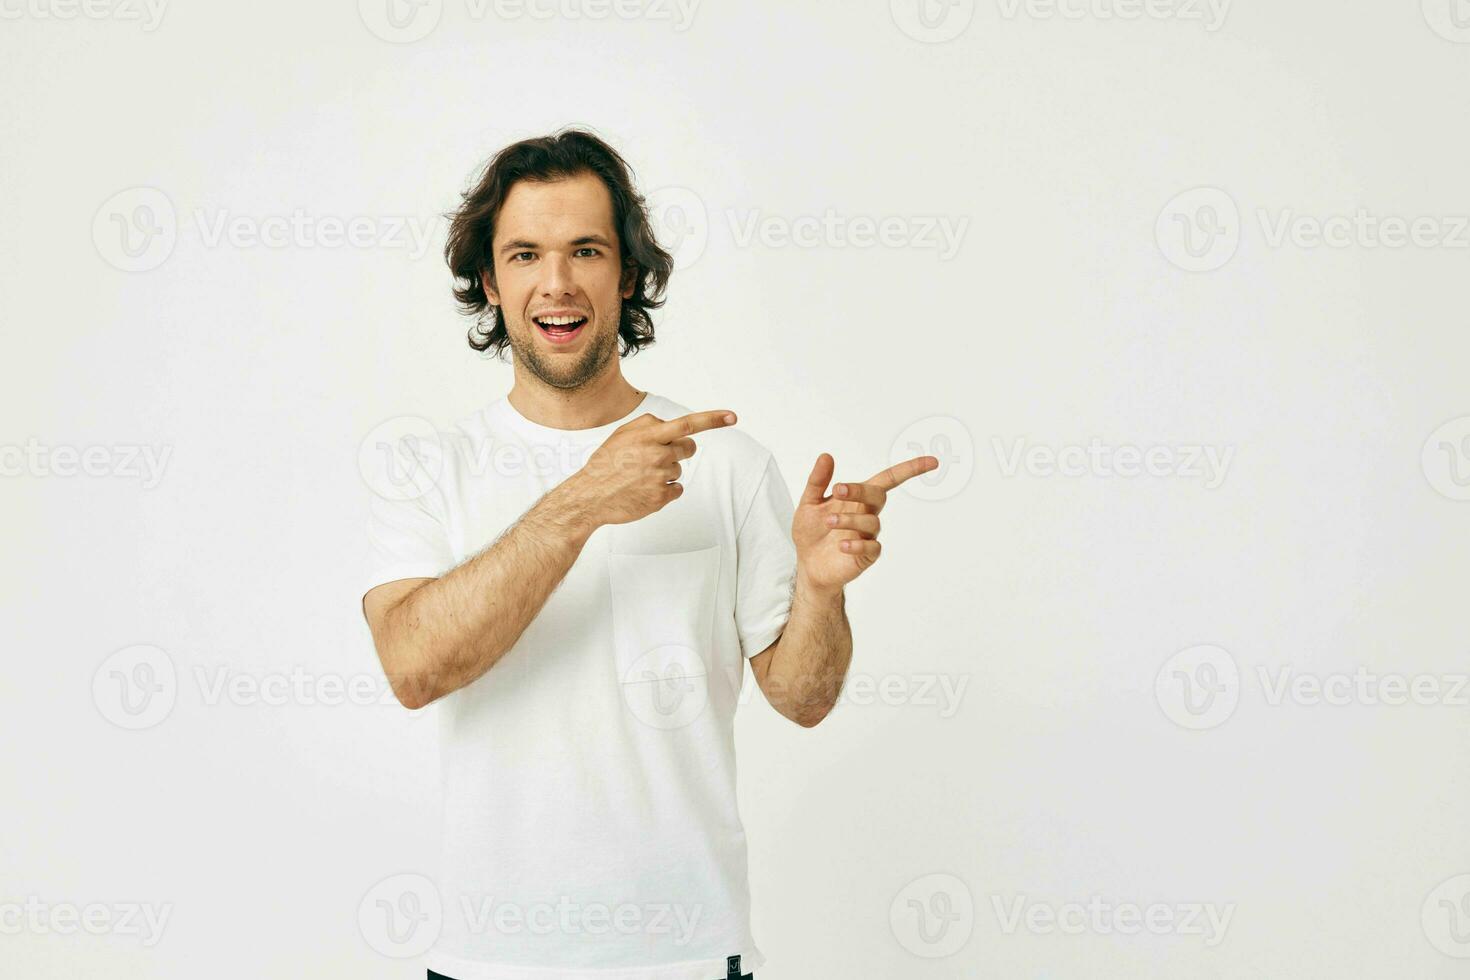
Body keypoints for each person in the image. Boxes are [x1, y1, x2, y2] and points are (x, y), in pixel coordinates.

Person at [360, 127, 937, 980]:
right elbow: (414, 666)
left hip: (689, 957)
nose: (555, 283)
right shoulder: (429, 468)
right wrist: (581, 503)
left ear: (626, 274)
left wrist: (821, 589)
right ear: (489, 279)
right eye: (524, 254)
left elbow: (804, 698)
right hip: (491, 961)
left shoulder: (731, 465)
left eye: (585, 250)